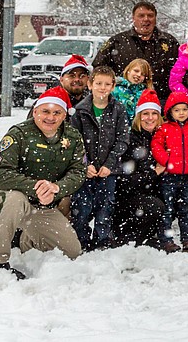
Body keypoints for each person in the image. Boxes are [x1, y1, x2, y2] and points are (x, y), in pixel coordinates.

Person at [0, 86, 86, 278]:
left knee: (72, 251)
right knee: (13, 199)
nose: (50, 117)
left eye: (57, 112)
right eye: (45, 111)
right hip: (7, 198)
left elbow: (79, 171)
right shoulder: (18, 134)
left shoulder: (72, 138)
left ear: (64, 115)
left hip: (43, 204)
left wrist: (57, 188)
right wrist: (35, 187)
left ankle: (25, 241)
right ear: (35, 111)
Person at [70, 66, 129, 252]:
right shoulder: (80, 111)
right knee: (82, 206)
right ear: (90, 84)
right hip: (86, 171)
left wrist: (109, 164)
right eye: (98, 83)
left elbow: (122, 140)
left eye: (107, 84)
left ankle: (102, 239)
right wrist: (84, 165)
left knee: (106, 206)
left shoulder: (118, 109)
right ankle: (81, 239)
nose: (102, 88)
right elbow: (74, 142)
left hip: (108, 170)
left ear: (113, 86)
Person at [151, 89, 188, 253]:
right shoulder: (164, 129)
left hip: (187, 176)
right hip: (169, 176)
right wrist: (166, 162)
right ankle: (166, 239)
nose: (181, 113)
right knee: (167, 209)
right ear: (170, 112)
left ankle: (187, 238)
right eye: (177, 110)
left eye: (184, 109)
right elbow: (156, 146)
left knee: (185, 209)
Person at [94, 1, 181, 101]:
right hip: (123, 102)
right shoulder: (117, 42)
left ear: (155, 19)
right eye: (141, 15)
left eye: (150, 16)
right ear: (133, 18)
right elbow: (99, 69)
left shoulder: (170, 42)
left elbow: (183, 69)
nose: (146, 19)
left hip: (160, 102)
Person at [115, 90, 166, 250]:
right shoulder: (131, 139)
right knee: (154, 206)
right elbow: (126, 180)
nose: (150, 118)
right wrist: (153, 174)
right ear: (138, 116)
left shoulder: (162, 137)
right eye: (145, 114)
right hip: (129, 197)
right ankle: (132, 237)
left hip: (151, 192)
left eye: (154, 114)